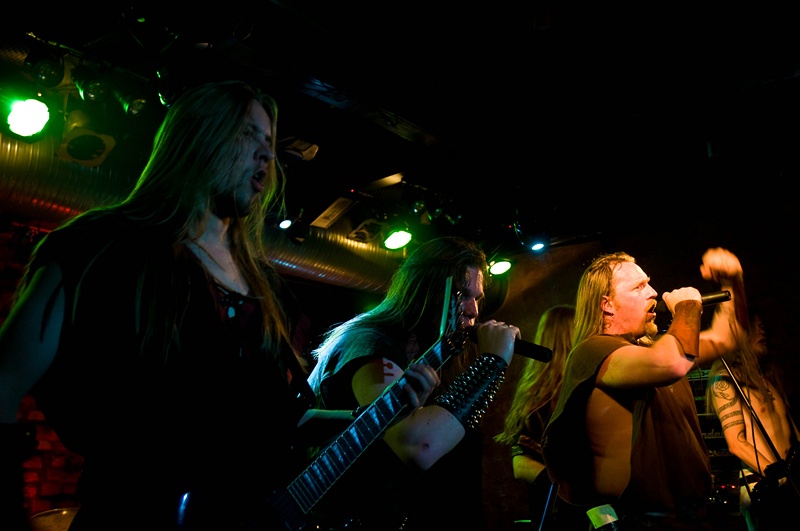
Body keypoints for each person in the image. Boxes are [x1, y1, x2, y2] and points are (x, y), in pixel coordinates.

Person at [0, 80, 439, 531]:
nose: (267, 156)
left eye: (269, 143)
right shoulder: (98, 246)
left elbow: (283, 422)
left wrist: (379, 411)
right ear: (197, 136)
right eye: (248, 136)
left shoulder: (262, 285)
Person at [306, 236, 522, 531]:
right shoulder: (370, 343)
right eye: (462, 295)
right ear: (429, 293)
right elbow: (416, 444)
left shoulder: (424, 354)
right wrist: (491, 364)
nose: (473, 310)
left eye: (477, 298)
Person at [541, 247, 745, 530]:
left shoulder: (654, 347)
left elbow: (727, 338)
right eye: (638, 287)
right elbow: (671, 363)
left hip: (692, 519)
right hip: (644, 523)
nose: (654, 292)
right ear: (607, 304)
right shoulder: (593, 350)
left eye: (648, 282)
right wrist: (688, 307)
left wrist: (732, 282)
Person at [494, 305, 587, 530]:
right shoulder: (544, 397)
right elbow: (521, 463)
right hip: (563, 516)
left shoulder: (566, 388)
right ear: (568, 335)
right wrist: (569, 491)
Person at [706, 313, 800, 530]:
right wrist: (776, 474)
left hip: (790, 482)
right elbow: (736, 442)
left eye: (762, 326)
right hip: (765, 487)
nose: (762, 331)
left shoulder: (767, 376)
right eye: (753, 327)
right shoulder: (726, 380)